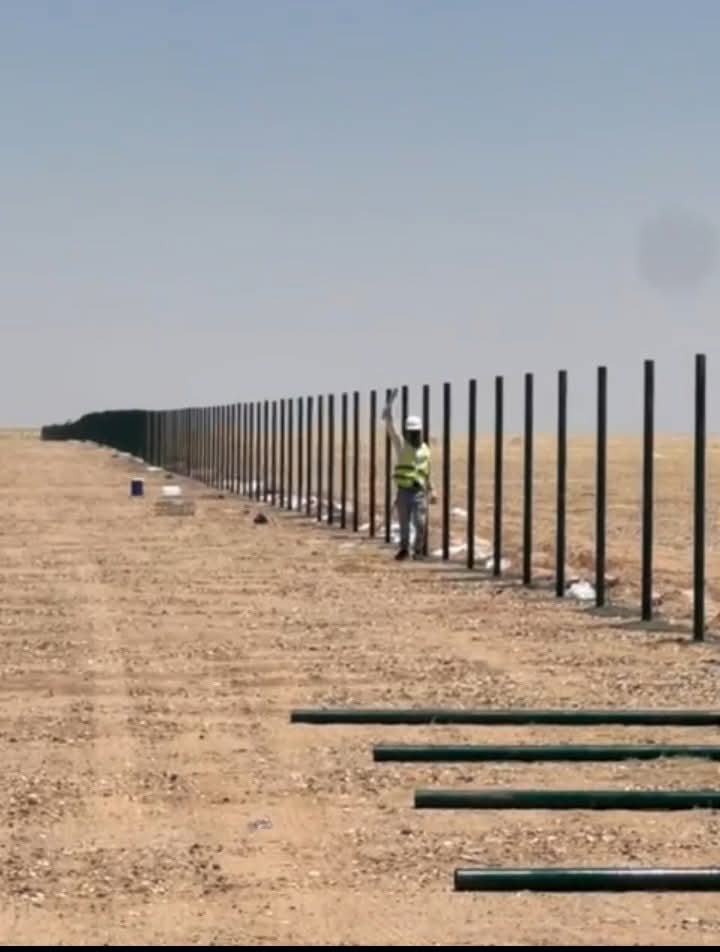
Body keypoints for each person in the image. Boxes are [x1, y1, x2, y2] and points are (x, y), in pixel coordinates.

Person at [381, 390, 436, 560]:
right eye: (410, 432)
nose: (413, 435)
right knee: (404, 524)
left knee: (420, 523)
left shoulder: (425, 449)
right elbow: (392, 430)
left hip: (419, 492)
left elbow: (426, 471)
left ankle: (418, 551)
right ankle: (404, 549)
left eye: (415, 432)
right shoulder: (402, 446)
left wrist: (432, 489)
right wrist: (388, 413)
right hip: (404, 491)